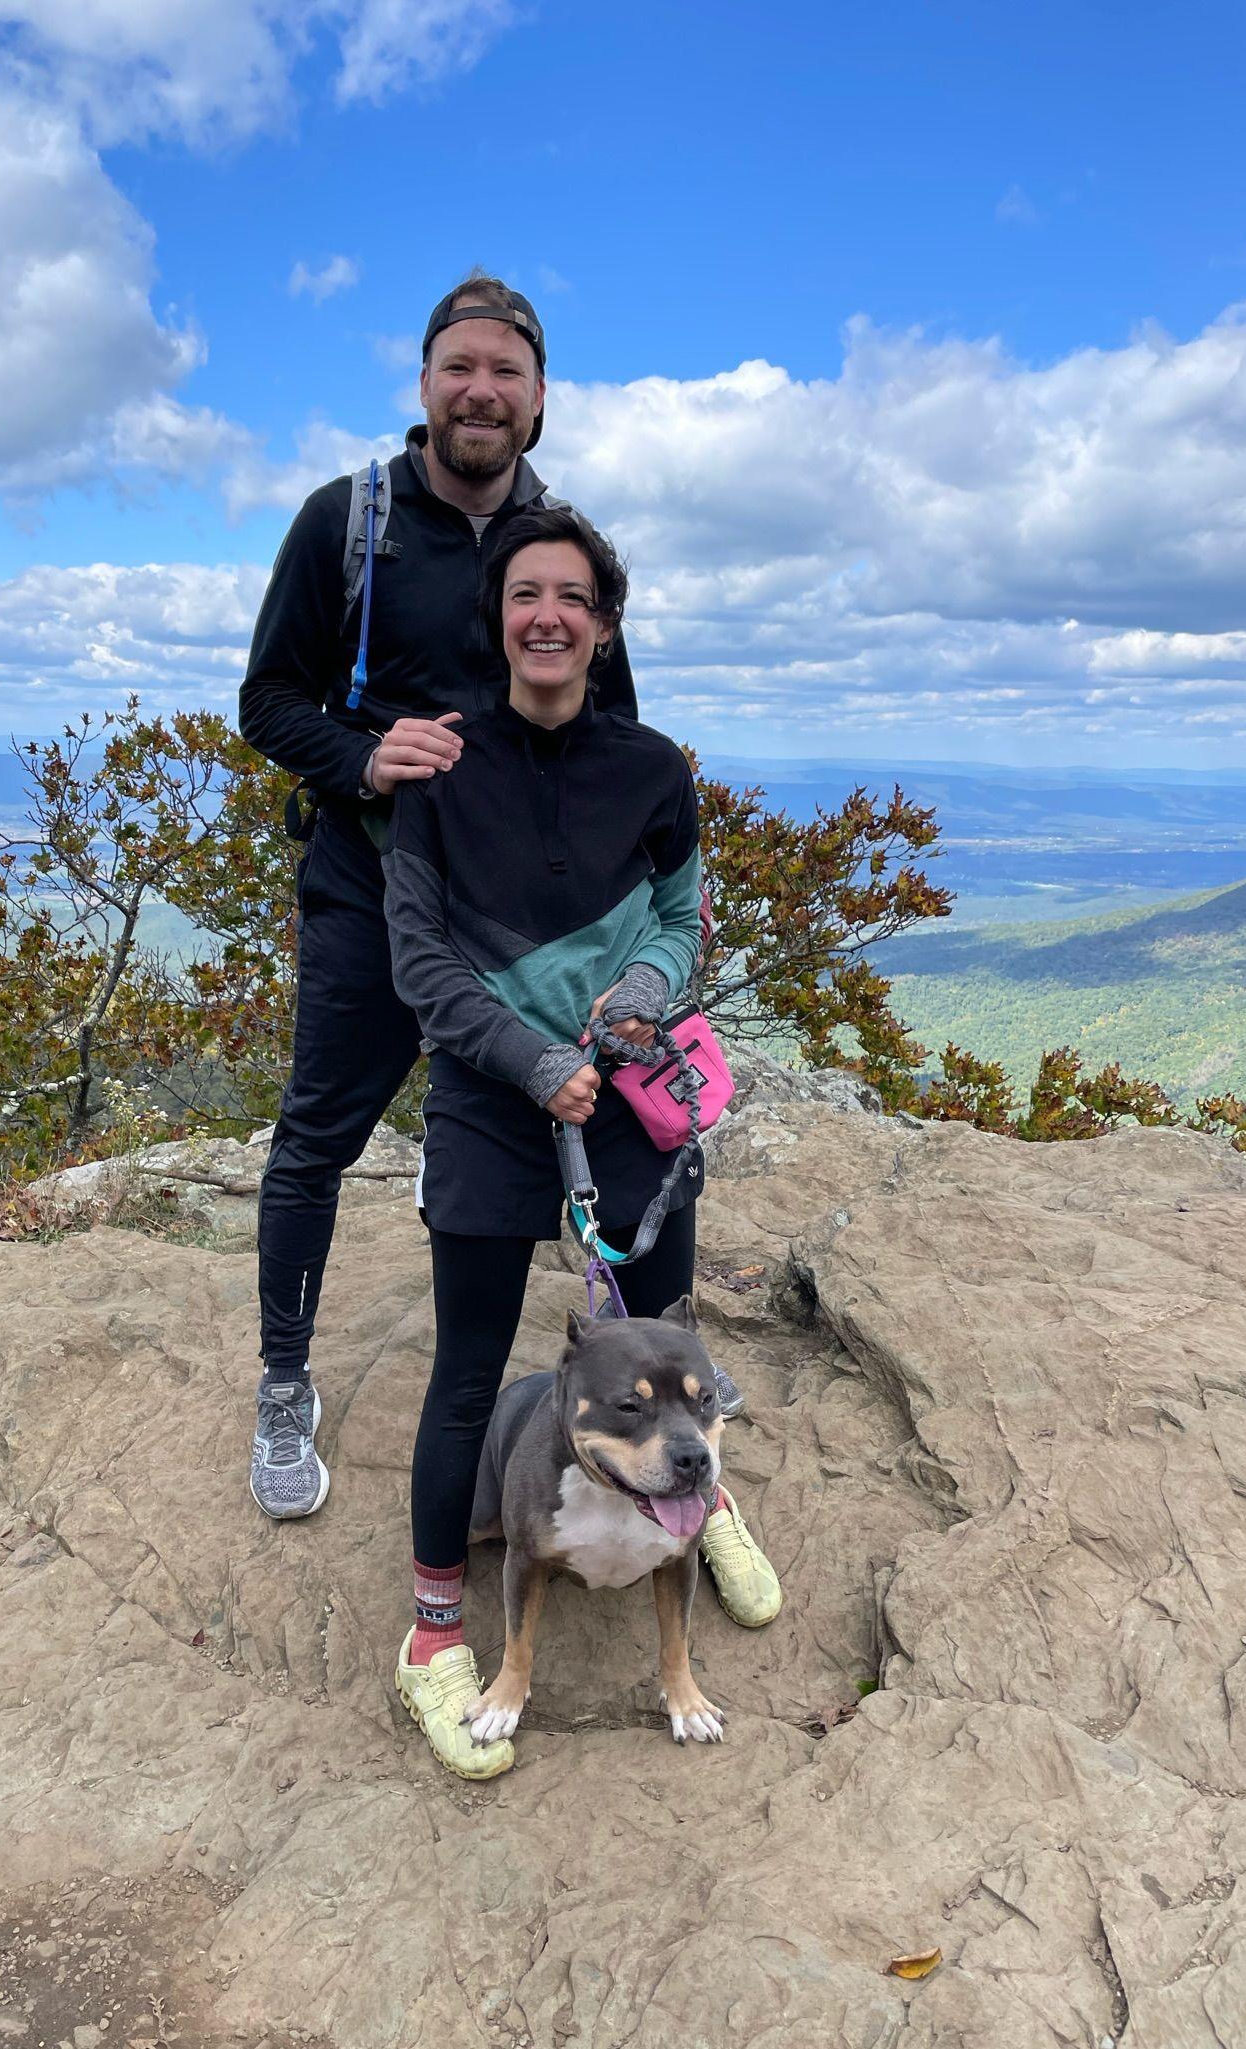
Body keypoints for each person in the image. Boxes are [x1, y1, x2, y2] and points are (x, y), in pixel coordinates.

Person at [238, 270, 711, 1521]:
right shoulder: (349, 522)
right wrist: (361, 756)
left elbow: (613, 738)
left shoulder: (560, 553)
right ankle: (286, 1384)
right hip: (369, 898)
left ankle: (648, 1427)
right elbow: (266, 700)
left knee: (583, 1159)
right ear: (426, 386)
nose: (482, 391)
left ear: (541, 400)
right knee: (316, 1144)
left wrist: (629, 954)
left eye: (507, 372)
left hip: (527, 951)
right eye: (461, 368)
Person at [381, 505, 782, 1779]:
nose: (546, 616)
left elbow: (679, 912)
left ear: (603, 628)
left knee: (662, 1339)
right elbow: (421, 960)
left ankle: (684, 1496)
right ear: (499, 618)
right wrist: (534, 1058)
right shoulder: (442, 770)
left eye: (573, 597)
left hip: (635, 1092)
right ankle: (437, 1630)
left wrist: (642, 999)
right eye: (524, 595)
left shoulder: (655, 767)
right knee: (468, 1371)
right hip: (492, 1103)